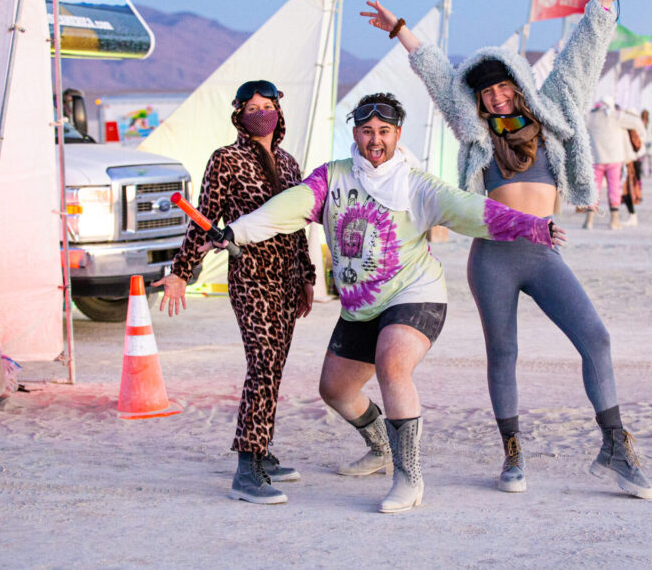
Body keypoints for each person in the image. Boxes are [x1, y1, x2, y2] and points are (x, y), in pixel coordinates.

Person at [360, 0, 652, 500]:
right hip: (492, 258)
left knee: (596, 338)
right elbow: (437, 76)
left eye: (502, 86)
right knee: (503, 352)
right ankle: (512, 454)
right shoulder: (473, 127)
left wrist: (606, 1)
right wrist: (400, 28)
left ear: (518, 84)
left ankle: (613, 443)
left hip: (542, 254)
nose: (495, 97)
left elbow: (581, 54)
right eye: (487, 91)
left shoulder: (555, 108)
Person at [214, 93, 565, 514]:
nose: (375, 141)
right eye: (366, 132)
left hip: (415, 293)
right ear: (355, 134)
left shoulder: (417, 184)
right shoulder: (332, 177)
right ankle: (382, 445)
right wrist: (238, 231)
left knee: (392, 362)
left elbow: (473, 210)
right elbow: (287, 208)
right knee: (336, 390)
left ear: (398, 134)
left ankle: (408, 476)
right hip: (362, 304)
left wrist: (533, 226)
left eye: (384, 132)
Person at [154, 80, 316, 506]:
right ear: (239, 114)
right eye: (253, 107)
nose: (261, 113)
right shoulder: (225, 160)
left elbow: (298, 225)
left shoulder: (290, 164)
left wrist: (307, 276)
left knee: (274, 369)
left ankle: (262, 450)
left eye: (268, 106)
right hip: (251, 278)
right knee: (263, 366)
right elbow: (203, 219)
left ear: (279, 113)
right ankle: (247, 468)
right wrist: (180, 273)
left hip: (286, 281)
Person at [582, 96, 644, 229]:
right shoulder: (617, 116)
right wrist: (642, 136)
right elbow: (636, 122)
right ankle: (614, 221)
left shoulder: (589, 117)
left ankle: (589, 221)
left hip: (596, 159)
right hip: (615, 159)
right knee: (614, 189)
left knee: (594, 189)